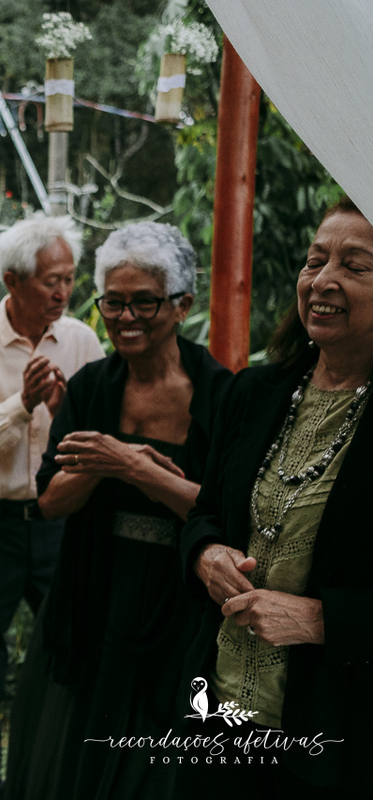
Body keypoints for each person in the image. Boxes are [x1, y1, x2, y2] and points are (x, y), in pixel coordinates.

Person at [4, 222, 232, 800]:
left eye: (143, 303)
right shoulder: (91, 388)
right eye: (113, 302)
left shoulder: (222, 393)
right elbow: (51, 501)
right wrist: (106, 460)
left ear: (181, 305)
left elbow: (228, 514)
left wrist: (133, 468)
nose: (125, 317)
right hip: (96, 587)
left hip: (180, 596)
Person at [175, 197, 373, 798]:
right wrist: (206, 553)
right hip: (220, 712)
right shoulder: (254, 391)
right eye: (316, 260)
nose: (323, 280)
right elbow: (205, 511)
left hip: (338, 735)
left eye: (355, 265)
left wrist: (323, 621)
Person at [0, 215, 104, 800]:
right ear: (12, 280)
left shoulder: (82, 341)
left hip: (61, 523)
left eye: (69, 279)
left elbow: (95, 439)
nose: (63, 291)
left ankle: (62, 778)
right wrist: (22, 403)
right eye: (50, 280)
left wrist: (59, 413)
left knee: (74, 651)